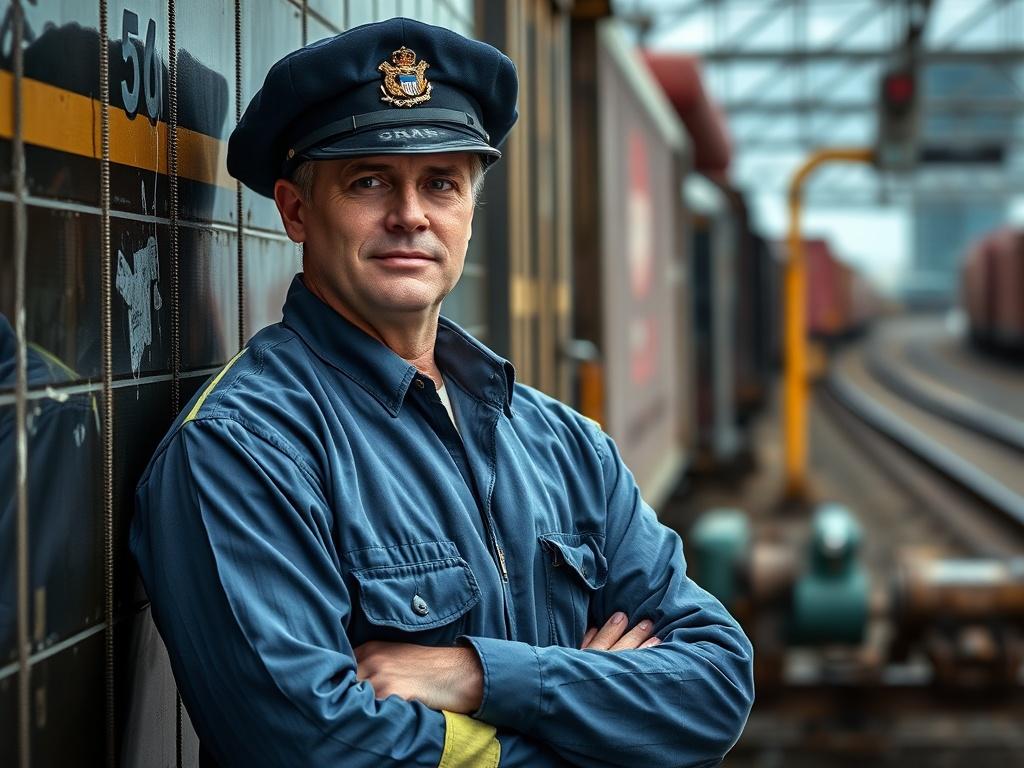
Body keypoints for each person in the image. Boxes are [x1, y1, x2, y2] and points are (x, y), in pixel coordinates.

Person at [130, 17, 753, 768]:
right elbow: (316, 747)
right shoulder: (243, 450)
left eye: (441, 183)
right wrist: (603, 725)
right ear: (297, 210)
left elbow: (716, 684)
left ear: (468, 210)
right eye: (369, 181)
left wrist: (478, 675)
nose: (411, 215)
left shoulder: (565, 445)